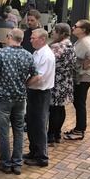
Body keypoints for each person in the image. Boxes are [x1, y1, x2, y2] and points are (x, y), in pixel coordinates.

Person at [0, 29, 36, 175]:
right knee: (19, 130)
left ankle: (5, 163)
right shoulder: (28, 54)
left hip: (3, 97)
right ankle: (17, 163)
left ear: (9, 37)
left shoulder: (2, 52)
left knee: (4, 131)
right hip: (20, 97)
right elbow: (36, 76)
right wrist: (25, 84)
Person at [24, 29, 55, 167]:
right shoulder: (37, 52)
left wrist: (24, 85)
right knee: (31, 123)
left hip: (40, 93)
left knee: (39, 125)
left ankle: (42, 157)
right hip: (34, 92)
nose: (30, 40)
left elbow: (38, 76)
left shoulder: (46, 55)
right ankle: (34, 151)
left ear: (42, 39)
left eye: (33, 38)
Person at [65, 19, 90, 141]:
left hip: (84, 78)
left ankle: (80, 130)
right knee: (78, 103)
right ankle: (78, 128)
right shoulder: (83, 40)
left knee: (79, 103)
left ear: (83, 30)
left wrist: (86, 65)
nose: (73, 27)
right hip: (82, 77)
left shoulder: (85, 42)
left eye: (76, 26)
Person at [48, 23, 76, 144]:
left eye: (55, 31)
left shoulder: (56, 47)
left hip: (56, 81)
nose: (53, 33)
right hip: (66, 81)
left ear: (61, 33)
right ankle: (57, 133)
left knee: (53, 108)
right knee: (60, 108)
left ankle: (51, 134)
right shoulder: (71, 45)